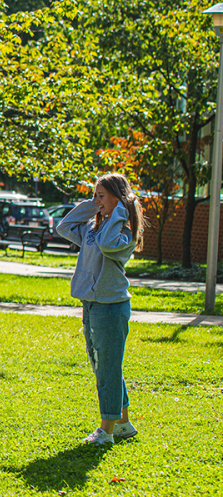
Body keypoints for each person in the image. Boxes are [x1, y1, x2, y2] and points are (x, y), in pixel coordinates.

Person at [57, 173, 143, 445]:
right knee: (103, 366)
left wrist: (119, 210)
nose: (97, 200)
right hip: (92, 303)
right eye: (95, 195)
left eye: (101, 195)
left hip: (111, 307)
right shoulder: (94, 229)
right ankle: (124, 424)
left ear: (119, 199)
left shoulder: (123, 233)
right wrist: (94, 205)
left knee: (107, 368)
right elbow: (65, 226)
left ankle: (106, 430)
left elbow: (107, 245)